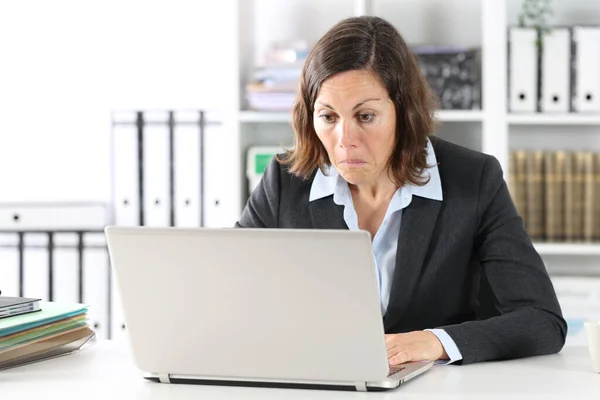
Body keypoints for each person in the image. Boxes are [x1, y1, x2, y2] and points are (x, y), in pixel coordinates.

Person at [235, 16, 566, 366]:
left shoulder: (474, 180)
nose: (345, 141)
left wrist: (435, 342)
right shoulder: (285, 182)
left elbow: (541, 320)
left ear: (404, 113)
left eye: (365, 116)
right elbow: (227, 291)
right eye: (329, 117)